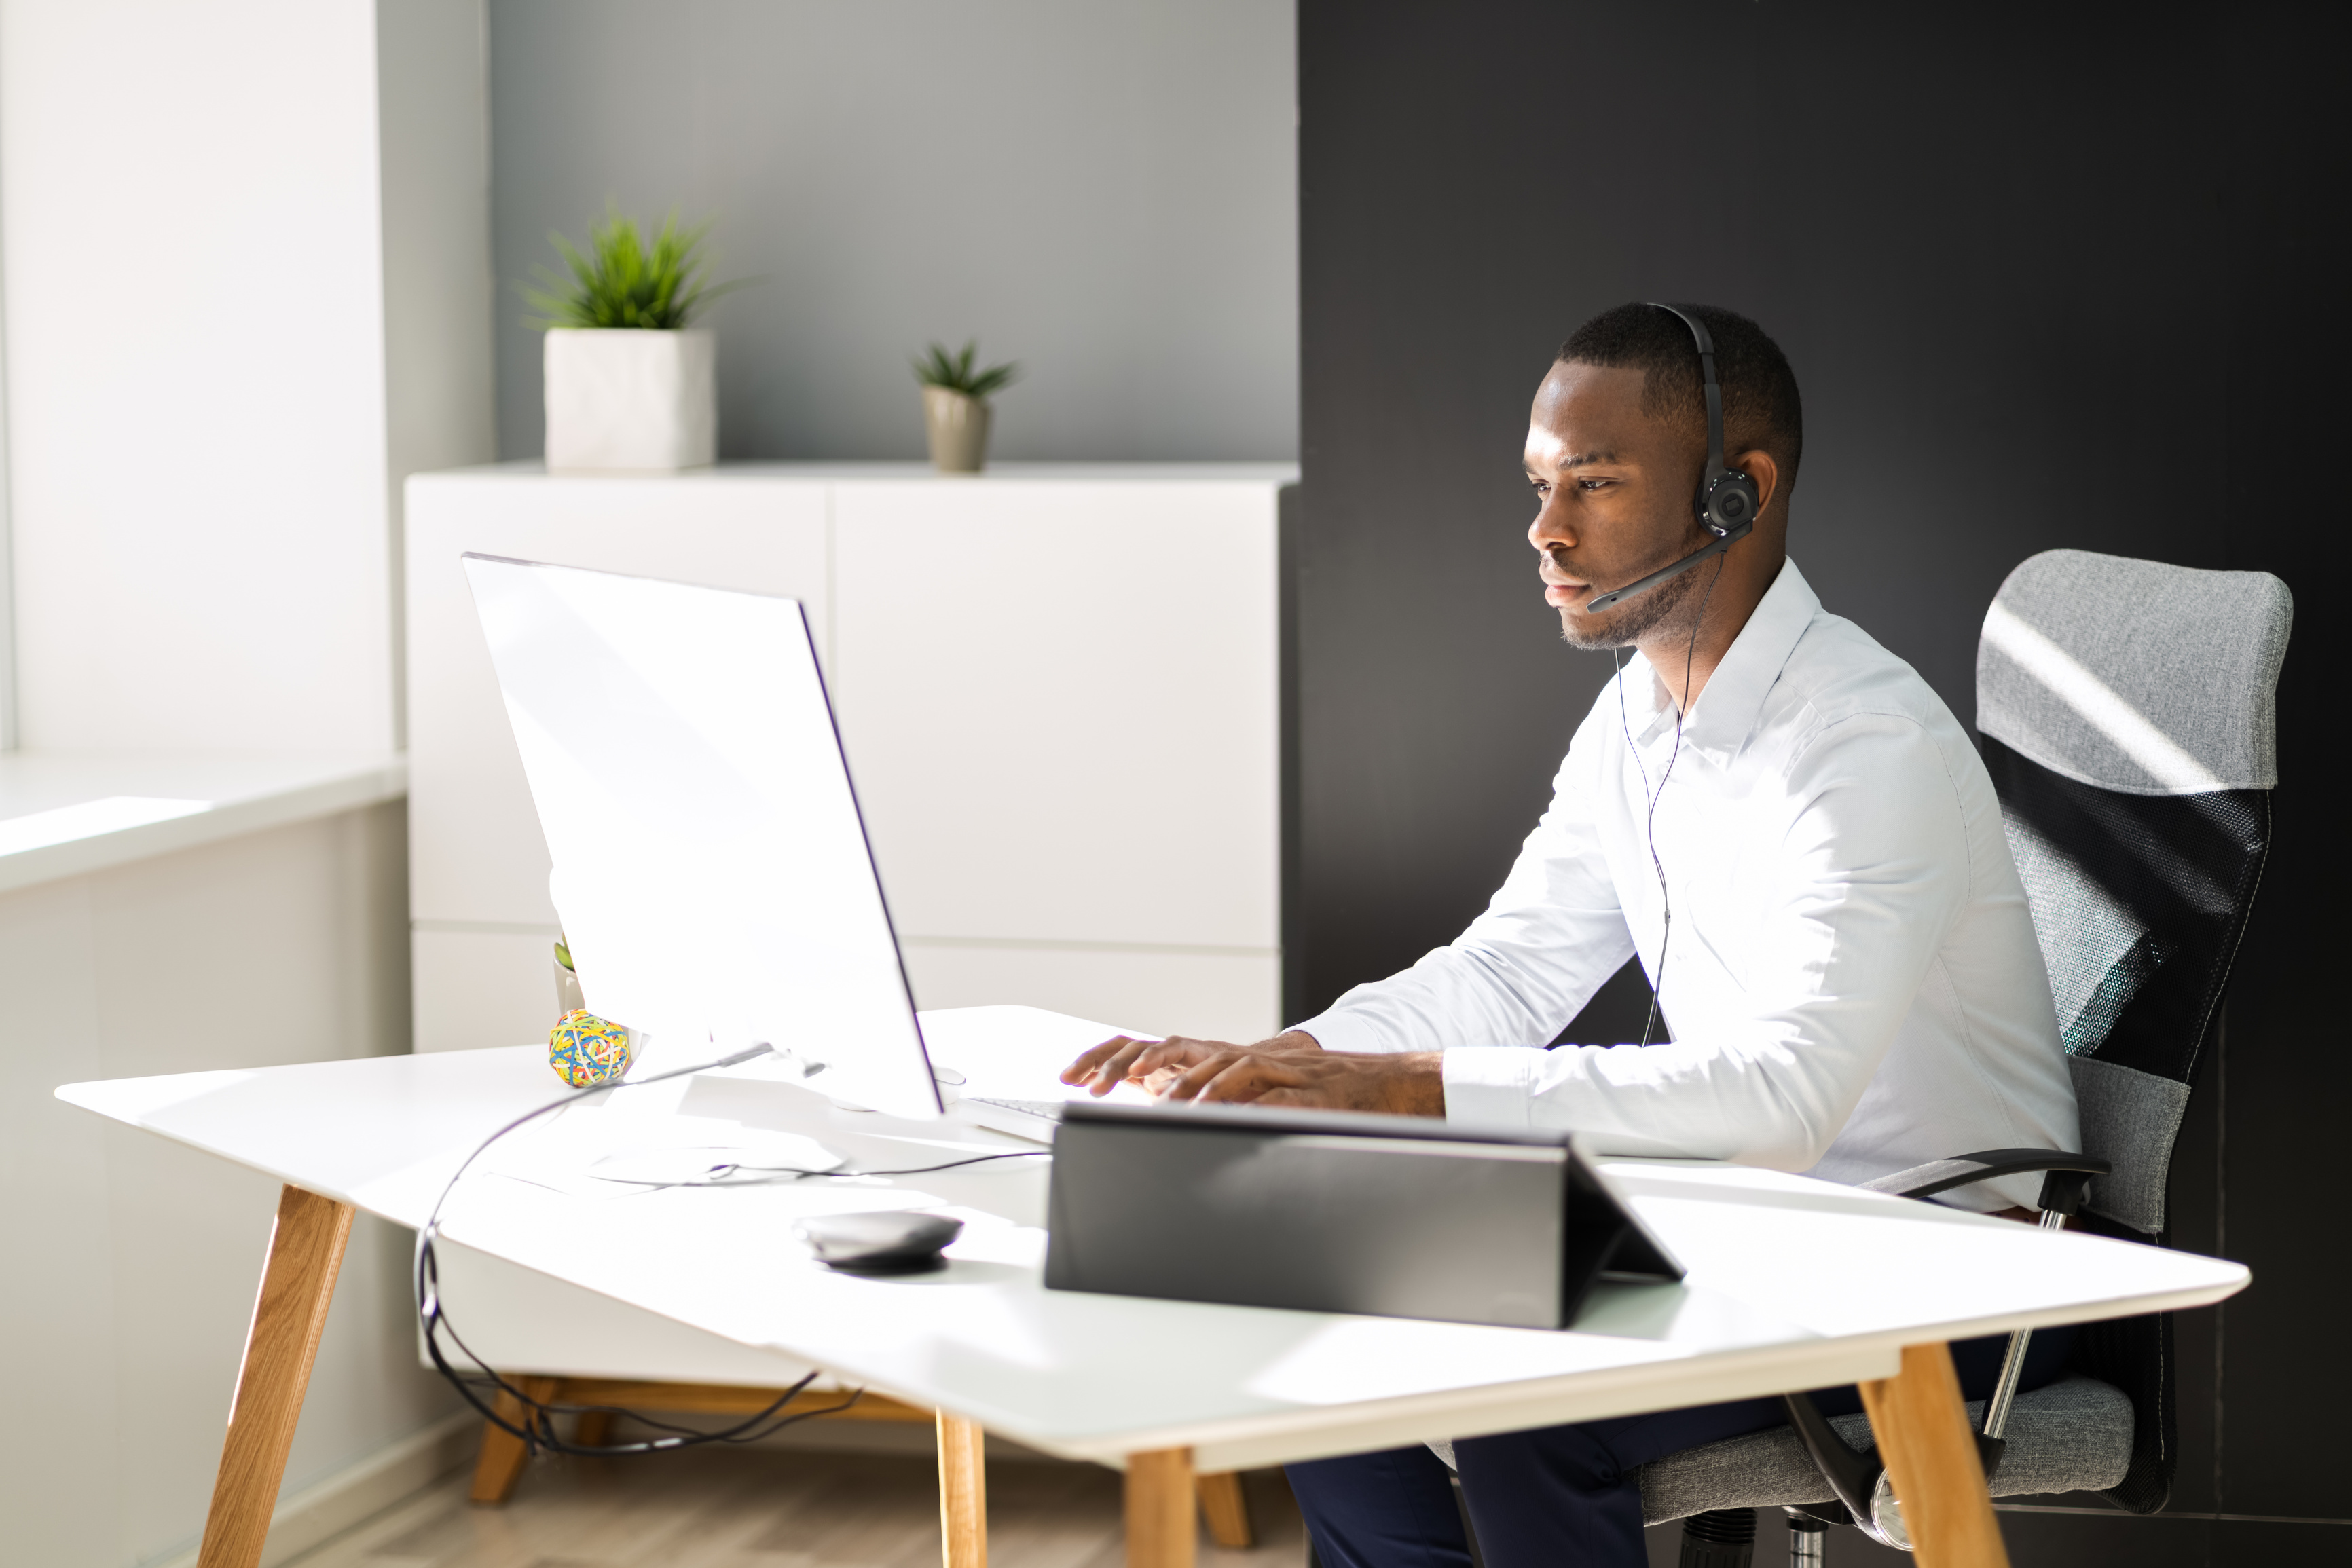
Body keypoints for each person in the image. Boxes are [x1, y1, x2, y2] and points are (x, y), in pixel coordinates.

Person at [1059, 302, 2080, 1568]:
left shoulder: (1865, 745)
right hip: (1747, 1225)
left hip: (1941, 1262)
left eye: (1593, 484)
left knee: (1521, 1405)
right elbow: (1508, 969)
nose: (1545, 529)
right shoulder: (1636, 720)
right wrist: (1277, 1061)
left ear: (1736, 494)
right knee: (1318, 1311)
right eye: (1541, 485)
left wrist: (1399, 1088)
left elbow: (1784, 1096)